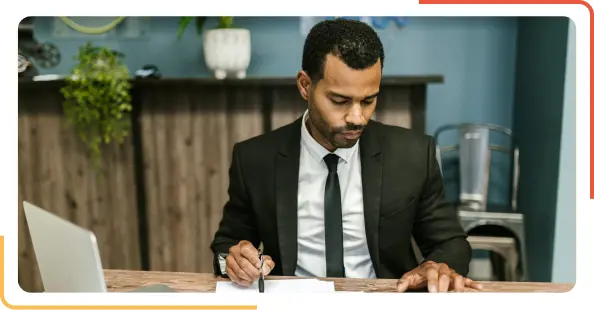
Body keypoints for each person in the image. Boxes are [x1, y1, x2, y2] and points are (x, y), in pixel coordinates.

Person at [210, 18, 482, 293]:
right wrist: (233, 261)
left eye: (368, 100)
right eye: (339, 101)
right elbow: (226, 247)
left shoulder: (412, 155)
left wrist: (437, 265)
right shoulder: (255, 159)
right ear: (305, 85)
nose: (357, 117)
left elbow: (450, 242)